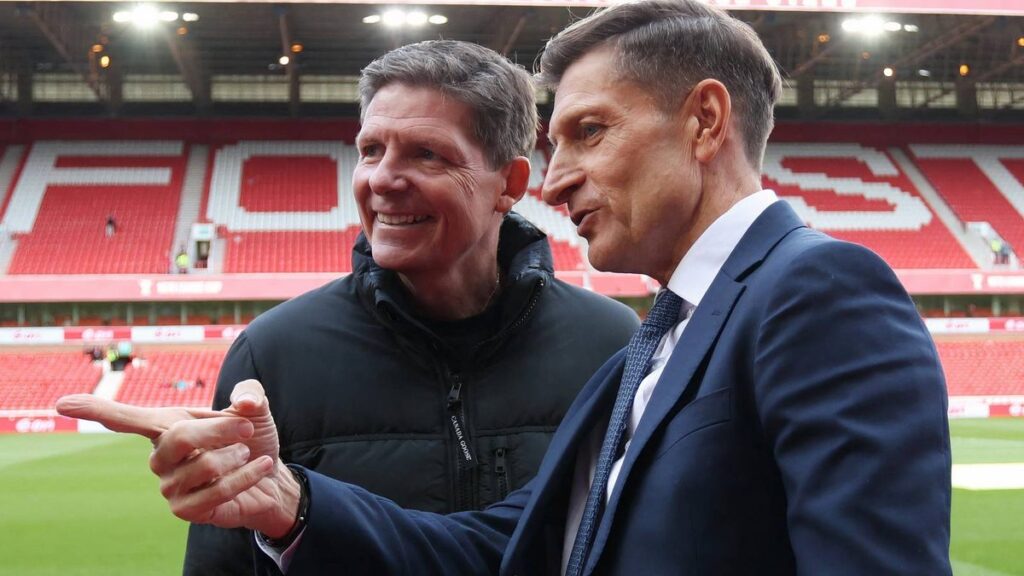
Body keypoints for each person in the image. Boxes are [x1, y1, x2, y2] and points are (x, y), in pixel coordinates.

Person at [57, 2, 952, 574]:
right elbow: (505, 548)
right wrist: (290, 504)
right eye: (557, 143)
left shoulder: (814, 290)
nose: (560, 181)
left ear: (706, 122)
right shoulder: (656, 340)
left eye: (591, 132)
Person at [135, 40, 640, 575]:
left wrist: (304, 508)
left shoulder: (609, 343)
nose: (381, 180)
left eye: (426, 154)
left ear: (509, 184)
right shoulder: (275, 353)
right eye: (371, 150)